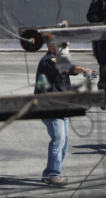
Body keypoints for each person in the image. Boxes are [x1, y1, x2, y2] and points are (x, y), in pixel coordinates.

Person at [35, 43, 96, 187]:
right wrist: (84, 70)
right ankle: (51, 174)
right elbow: (69, 68)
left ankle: (52, 172)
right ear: (51, 45)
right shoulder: (48, 61)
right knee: (58, 139)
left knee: (64, 141)